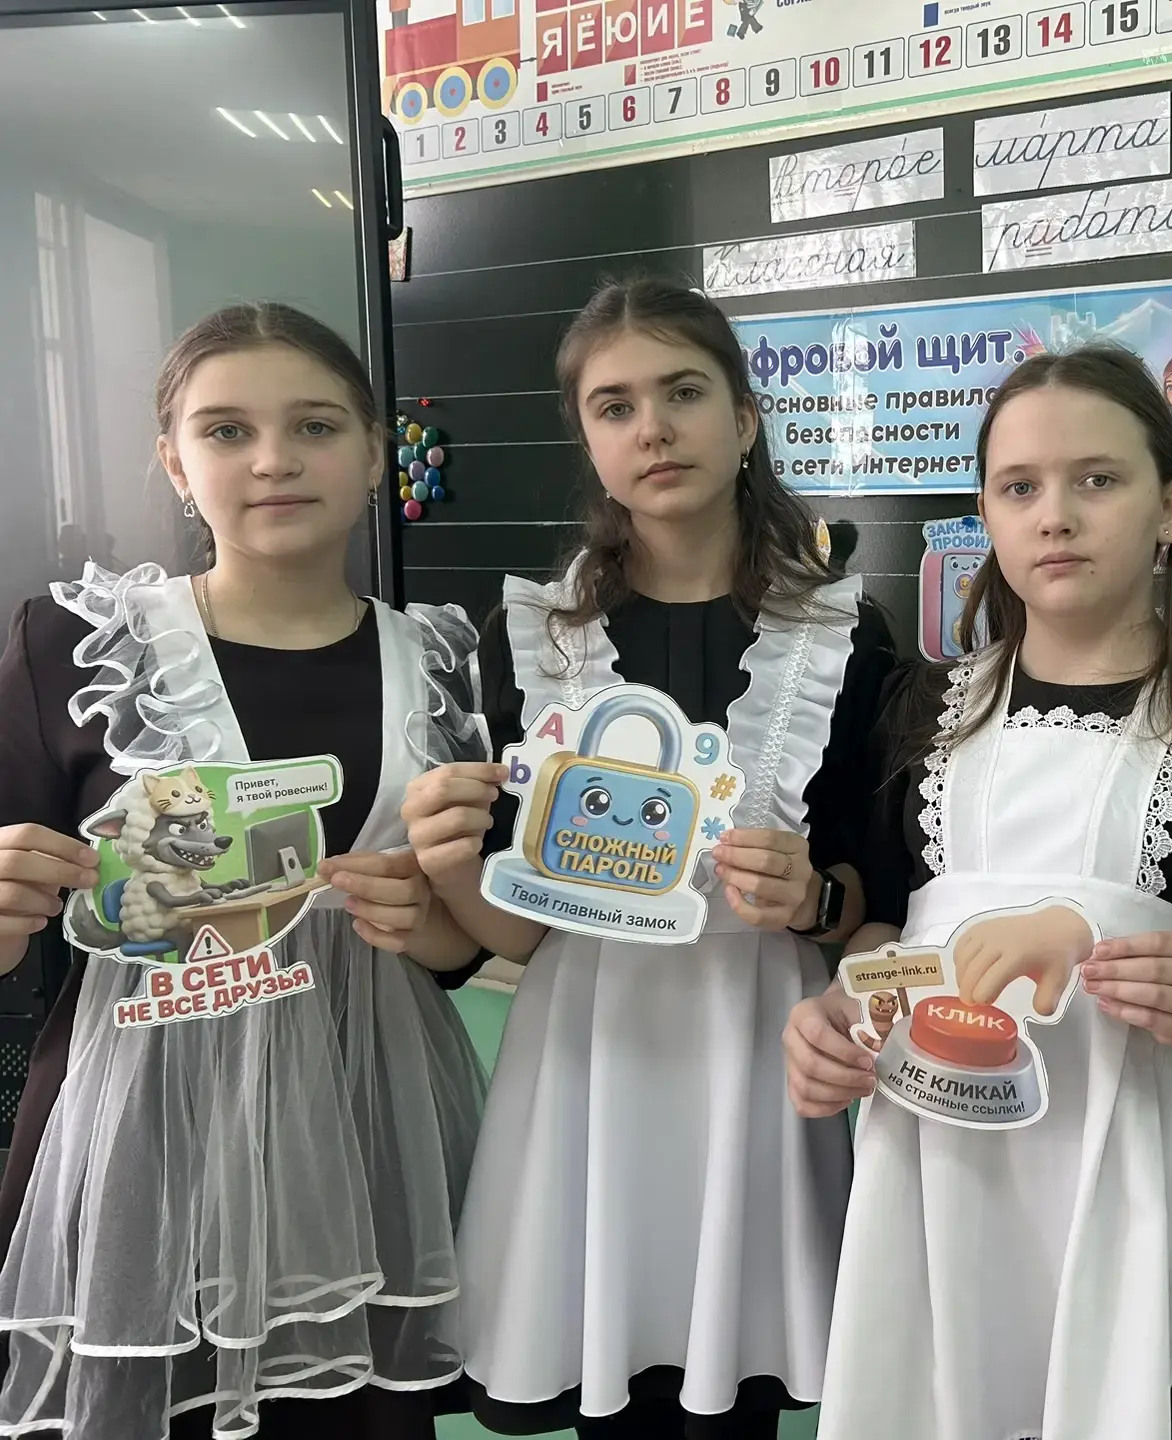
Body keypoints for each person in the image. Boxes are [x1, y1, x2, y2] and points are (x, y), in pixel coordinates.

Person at [785, 344, 1172, 1439]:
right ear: (986, 512)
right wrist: (839, 1011)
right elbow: (885, 926)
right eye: (1019, 487)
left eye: (1098, 480)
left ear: (1171, 505)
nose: (1055, 517)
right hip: (940, 1184)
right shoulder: (918, 711)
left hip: (1169, 1205)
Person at [402, 276, 894, 1439]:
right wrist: (449, 862)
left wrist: (813, 895)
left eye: (684, 393)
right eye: (615, 406)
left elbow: (874, 889)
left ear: (745, 419)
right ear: (589, 438)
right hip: (590, 1049)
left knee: (736, 1391)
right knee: (608, 1378)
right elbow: (519, 930)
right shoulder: (532, 636)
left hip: (759, 1037)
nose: (654, 429)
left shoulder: (844, 632)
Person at [0, 302, 491, 1439]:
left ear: (372, 452)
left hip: (371, 1131)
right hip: (142, 1138)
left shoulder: (442, 662)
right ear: (177, 464)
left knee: (361, 1419)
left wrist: (424, 921)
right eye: (226, 431)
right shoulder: (79, 649)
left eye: (315, 426)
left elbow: (461, 947)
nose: (273, 459)